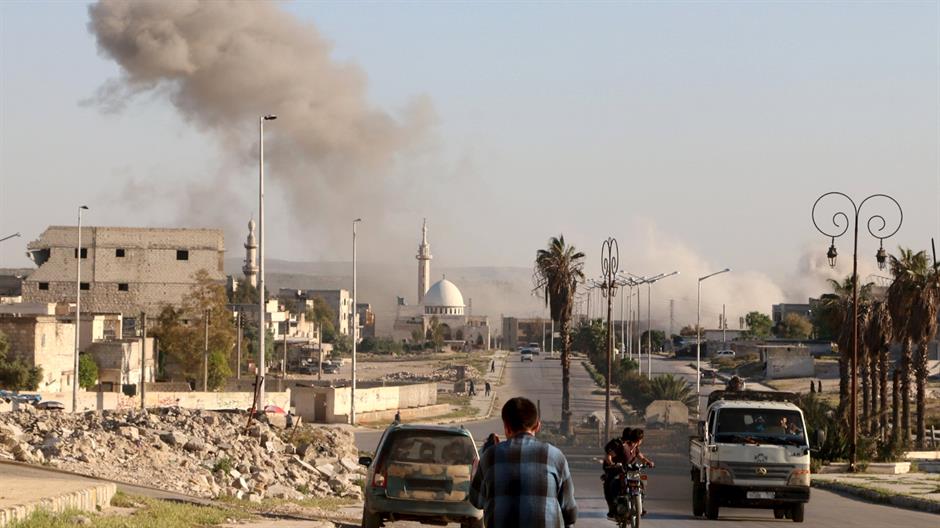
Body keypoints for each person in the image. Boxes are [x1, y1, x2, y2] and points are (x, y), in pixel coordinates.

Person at [470, 397, 578, 527]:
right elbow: (570, 512)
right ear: (537, 426)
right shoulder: (555, 457)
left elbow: (477, 501)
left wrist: (474, 474)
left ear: (506, 428)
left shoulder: (490, 457)